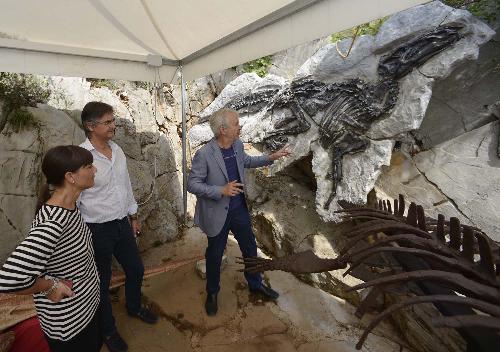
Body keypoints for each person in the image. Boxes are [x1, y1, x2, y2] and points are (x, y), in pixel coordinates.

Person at [187, 108, 291, 316]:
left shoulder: (237, 145)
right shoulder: (205, 154)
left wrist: (271, 157)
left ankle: (255, 283)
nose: (239, 126)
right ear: (223, 130)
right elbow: (192, 184)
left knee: (250, 248)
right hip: (217, 214)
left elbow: (247, 162)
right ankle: (212, 293)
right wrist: (221, 190)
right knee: (215, 255)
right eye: (236, 124)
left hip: (239, 210)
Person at [0, 145, 102, 352]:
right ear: (71, 177)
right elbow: (8, 279)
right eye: (89, 166)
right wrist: (49, 286)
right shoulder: (54, 222)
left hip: (85, 310)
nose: (95, 170)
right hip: (70, 325)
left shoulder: (69, 207)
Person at [78, 101, 157, 352]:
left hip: (122, 224)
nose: (114, 126)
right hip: (95, 229)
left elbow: (125, 187)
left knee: (136, 270)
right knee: (100, 283)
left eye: (114, 120)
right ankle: (109, 331)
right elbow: (76, 199)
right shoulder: (81, 157)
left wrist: (133, 217)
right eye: (108, 122)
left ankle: (133, 307)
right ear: (91, 126)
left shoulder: (118, 150)